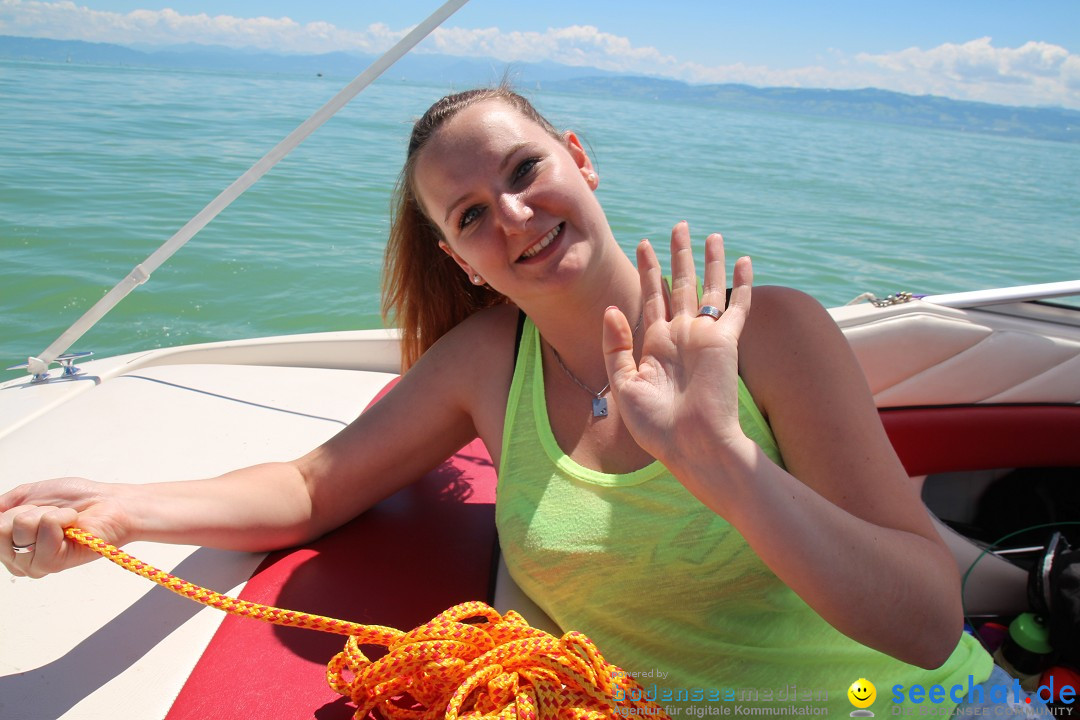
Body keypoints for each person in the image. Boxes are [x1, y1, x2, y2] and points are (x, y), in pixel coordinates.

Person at [0, 86, 1038, 717]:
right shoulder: (483, 365)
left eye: (525, 169)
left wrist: (724, 464)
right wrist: (122, 512)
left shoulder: (767, 334)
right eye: (470, 215)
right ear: (464, 262)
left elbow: (920, 617)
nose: (514, 215)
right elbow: (313, 486)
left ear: (579, 159)